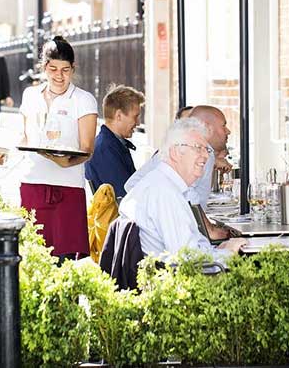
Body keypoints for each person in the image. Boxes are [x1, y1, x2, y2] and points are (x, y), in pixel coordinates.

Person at [14, 36, 98, 259]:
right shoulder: (30, 95)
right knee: (33, 258)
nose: (59, 76)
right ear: (44, 67)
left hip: (67, 188)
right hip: (32, 183)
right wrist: (5, 156)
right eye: (53, 69)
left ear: (73, 68)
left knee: (65, 261)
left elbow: (87, 148)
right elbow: (24, 137)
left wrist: (66, 161)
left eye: (65, 70)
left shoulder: (83, 100)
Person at [118, 117, 247, 261]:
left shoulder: (161, 184)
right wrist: (230, 252)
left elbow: (189, 249)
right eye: (198, 148)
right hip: (185, 279)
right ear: (175, 153)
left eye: (206, 149)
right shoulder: (165, 194)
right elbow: (188, 261)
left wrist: (218, 249)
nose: (205, 155)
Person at [125, 105, 233, 239]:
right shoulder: (194, 154)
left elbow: (130, 184)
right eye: (224, 125)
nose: (228, 131)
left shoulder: (190, 150)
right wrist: (209, 230)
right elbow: (189, 195)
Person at [85, 84, 145, 199]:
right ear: (119, 115)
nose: (137, 123)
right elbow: (124, 196)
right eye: (135, 116)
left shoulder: (112, 144)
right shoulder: (105, 149)